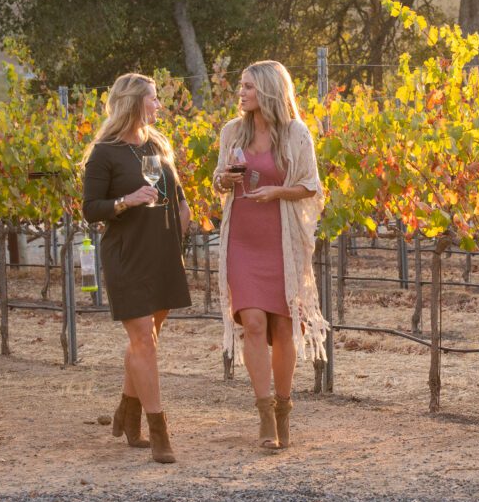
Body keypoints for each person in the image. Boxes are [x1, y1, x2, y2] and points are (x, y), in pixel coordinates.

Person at [213, 60, 326, 451]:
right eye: (241, 86)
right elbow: (218, 180)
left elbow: (311, 186)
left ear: (268, 91)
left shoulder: (295, 133)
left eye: (248, 86)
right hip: (242, 240)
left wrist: (277, 192)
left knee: (282, 326)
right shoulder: (232, 131)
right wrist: (224, 179)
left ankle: (283, 408)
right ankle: (263, 413)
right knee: (253, 323)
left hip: (281, 242)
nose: (241, 92)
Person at [82, 73, 191, 464]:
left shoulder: (157, 143)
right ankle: (158, 431)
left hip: (162, 252)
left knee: (148, 337)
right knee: (143, 337)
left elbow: (176, 195)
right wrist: (125, 201)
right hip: (126, 254)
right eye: (153, 98)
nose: (159, 105)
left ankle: (127, 412)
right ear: (133, 101)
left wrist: (183, 222)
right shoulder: (104, 152)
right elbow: (90, 208)